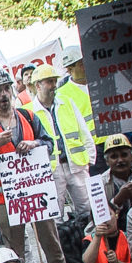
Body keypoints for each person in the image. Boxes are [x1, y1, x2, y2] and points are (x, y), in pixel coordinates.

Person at [0, 66, 83, 263]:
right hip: (6, 200)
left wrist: (33, 144)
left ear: (11, 90)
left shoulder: (29, 117)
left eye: (5, 89)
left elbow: (49, 144)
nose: (2, 95)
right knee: (14, 250)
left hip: (35, 191)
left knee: (50, 240)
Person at [27, 64, 95, 218]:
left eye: (54, 81)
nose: (53, 85)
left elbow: (84, 132)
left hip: (76, 165)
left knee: (87, 210)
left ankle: (88, 240)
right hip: (51, 170)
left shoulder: (67, 103)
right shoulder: (30, 111)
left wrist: (89, 160)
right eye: (49, 82)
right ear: (37, 85)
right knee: (55, 214)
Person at [57, 45, 107, 176]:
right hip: (94, 148)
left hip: (112, 140)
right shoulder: (62, 94)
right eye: (81, 64)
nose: (85, 66)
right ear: (69, 69)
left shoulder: (102, 82)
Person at [102, 134, 132, 231]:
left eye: (124, 155)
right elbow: (98, 219)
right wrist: (117, 201)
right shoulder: (100, 183)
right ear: (107, 161)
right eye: (114, 157)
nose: (120, 160)